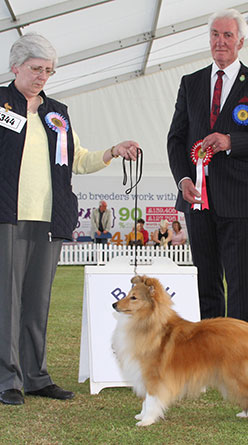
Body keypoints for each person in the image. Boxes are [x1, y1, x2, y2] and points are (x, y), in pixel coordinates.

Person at [0, 33, 139, 406]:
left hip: (48, 220)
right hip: (6, 217)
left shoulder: (56, 112)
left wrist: (112, 151)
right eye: (36, 69)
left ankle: (36, 376)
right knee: (6, 301)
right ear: (15, 67)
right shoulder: (0, 104)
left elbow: (79, 158)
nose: (43, 76)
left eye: (48, 70)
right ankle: (7, 379)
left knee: (36, 301)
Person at [167, 9, 248, 324]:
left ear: (240, 41)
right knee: (206, 284)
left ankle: (240, 362)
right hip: (197, 202)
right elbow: (176, 139)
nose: (220, 42)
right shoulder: (190, 83)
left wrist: (232, 142)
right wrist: (184, 179)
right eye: (215, 34)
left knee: (240, 286)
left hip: (239, 202)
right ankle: (209, 357)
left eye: (227, 35)